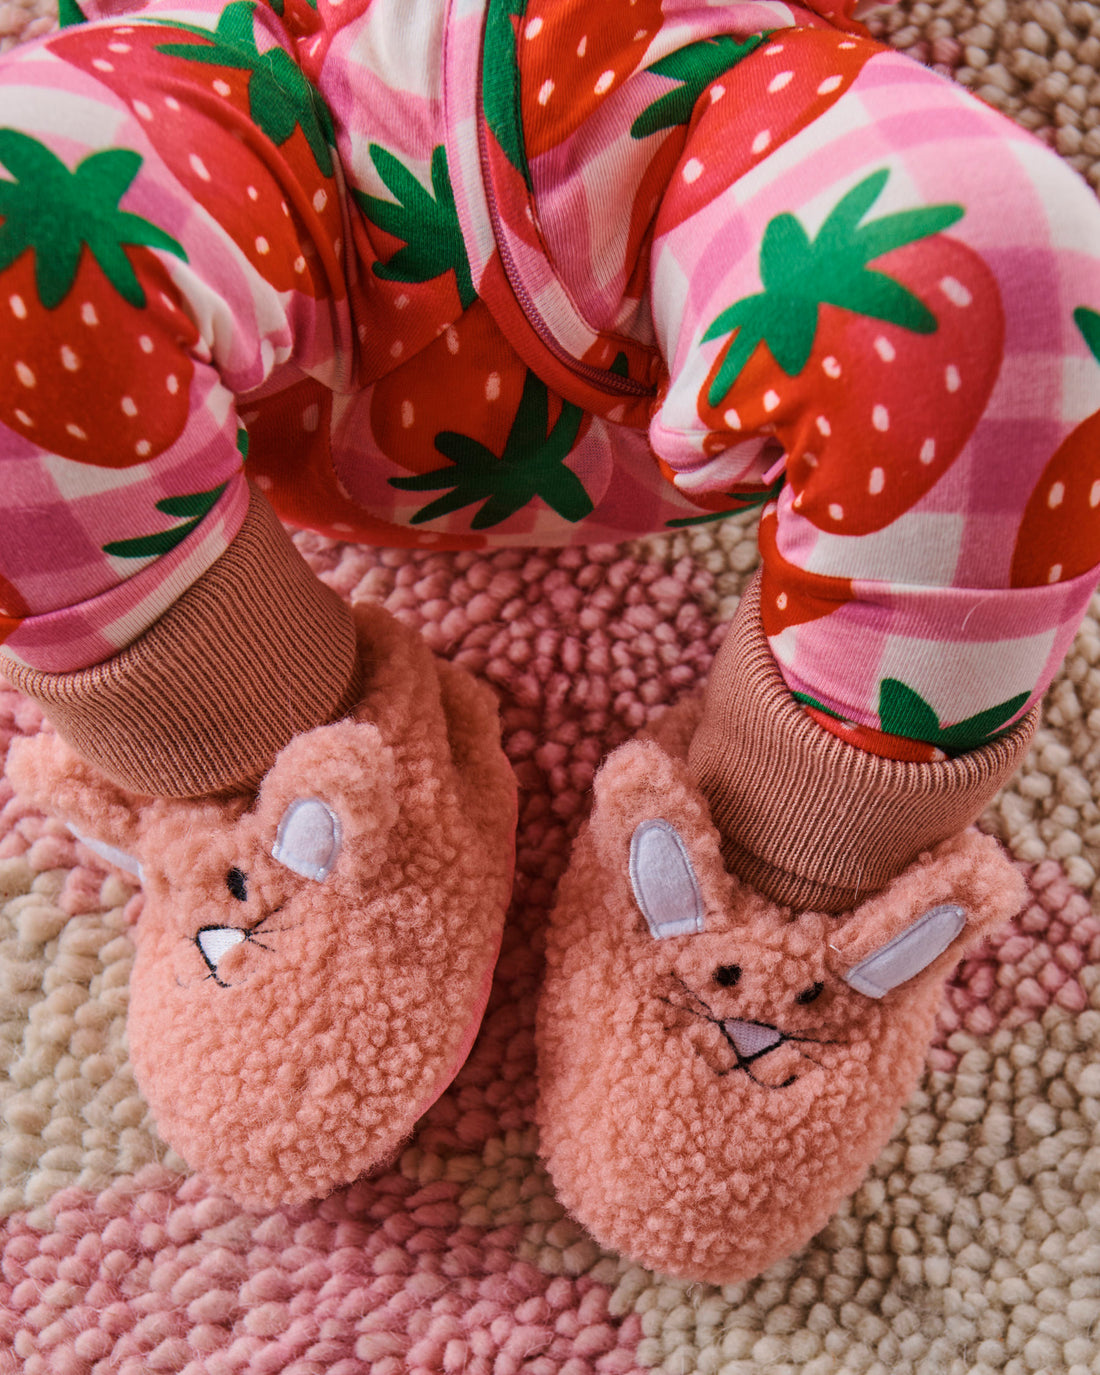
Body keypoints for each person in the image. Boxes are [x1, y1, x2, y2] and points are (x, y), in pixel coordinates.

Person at [2, 0, 1099, 1273]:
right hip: (263, 95)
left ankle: (790, 873)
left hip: (698, 108)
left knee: (1001, 258)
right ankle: (255, 762)